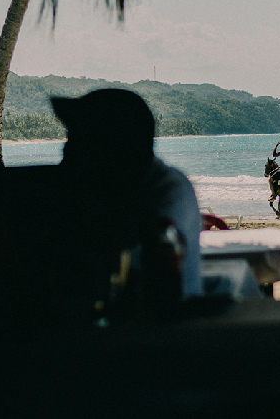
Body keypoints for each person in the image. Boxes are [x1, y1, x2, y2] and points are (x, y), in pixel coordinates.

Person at [50, 88, 204, 324]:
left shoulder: (165, 190)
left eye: (78, 138)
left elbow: (161, 253)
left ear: (112, 145)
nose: (66, 148)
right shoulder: (103, 187)